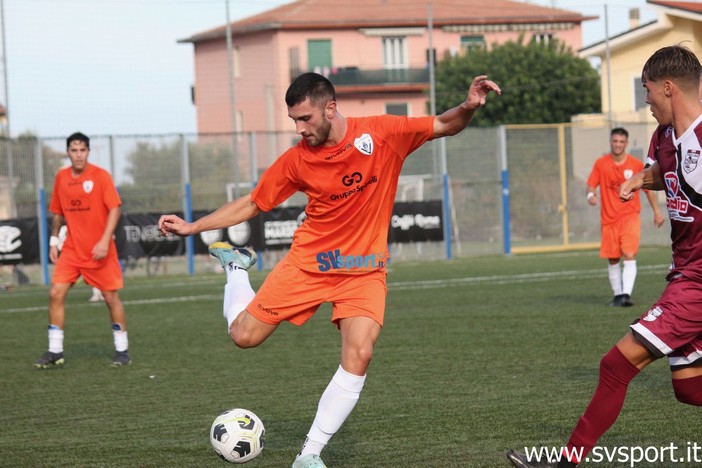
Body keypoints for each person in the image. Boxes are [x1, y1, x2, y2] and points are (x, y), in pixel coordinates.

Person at [159, 72, 500, 468]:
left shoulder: (382, 134)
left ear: (331, 108)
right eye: (294, 121)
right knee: (244, 336)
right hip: (310, 265)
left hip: (364, 268)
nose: (300, 129)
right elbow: (253, 203)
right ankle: (237, 269)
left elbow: (443, 124)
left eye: (305, 119)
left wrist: (469, 106)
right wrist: (193, 226)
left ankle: (309, 455)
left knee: (361, 352)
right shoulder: (297, 160)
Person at [507, 44, 702, 468]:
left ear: (668, 88)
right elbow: (669, 172)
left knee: (616, 364)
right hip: (684, 274)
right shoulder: (664, 137)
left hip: (698, 284)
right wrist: (638, 180)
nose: (645, 101)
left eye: (647, 91)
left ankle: (566, 463)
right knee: (689, 387)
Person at [34, 132, 131, 368]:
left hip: (100, 250)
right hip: (72, 251)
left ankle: (122, 350)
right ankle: (55, 350)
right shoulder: (61, 177)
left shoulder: (100, 176)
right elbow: (58, 213)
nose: (78, 155)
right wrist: (54, 241)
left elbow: (115, 209)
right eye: (74, 150)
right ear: (68, 152)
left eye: (82, 150)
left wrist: (104, 240)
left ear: (88, 152)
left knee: (110, 298)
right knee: (55, 293)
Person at [586, 127, 664, 307]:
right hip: (608, 220)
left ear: (626, 143)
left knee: (629, 254)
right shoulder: (601, 164)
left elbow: (648, 189)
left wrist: (657, 212)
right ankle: (618, 295)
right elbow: (591, 185)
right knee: (613, 258)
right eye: (615, 141)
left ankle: (626, 295)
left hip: (629, 217)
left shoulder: (636, 164)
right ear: (610, 142)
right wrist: (591, 196)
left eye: (621, 142)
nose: (618, 144)